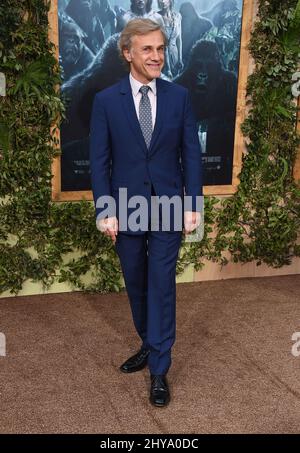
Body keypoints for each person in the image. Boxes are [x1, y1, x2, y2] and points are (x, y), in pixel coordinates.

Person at [89, 18, 202, 407]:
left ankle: (159, 368)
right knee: (136, 284)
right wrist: (105, 209)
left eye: (161, 48)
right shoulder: (106, 101)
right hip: (126, 207)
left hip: (169, 205)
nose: (157, 57)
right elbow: (99, 160)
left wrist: (193, 204)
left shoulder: (180, 96)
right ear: (128, 53)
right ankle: (149, 342)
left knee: (161, 284)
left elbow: (191, 153)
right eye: (147, 49)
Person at [157, 0, 183, 78]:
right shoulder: (156, 17)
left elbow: (179, 39)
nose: (162, 2)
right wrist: (168, 69)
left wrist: (180, 59)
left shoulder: (177, 16)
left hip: (175, 57)